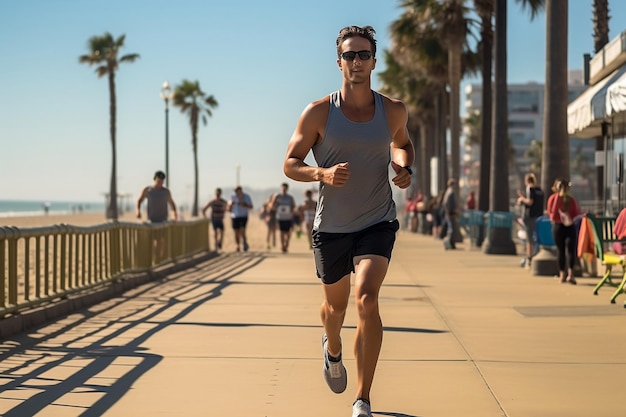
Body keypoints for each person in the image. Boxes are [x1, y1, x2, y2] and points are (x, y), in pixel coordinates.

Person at [282, 25, 414, 417]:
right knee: (335, 311)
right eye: (349, 55)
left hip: (377, 221)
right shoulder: (319, 111)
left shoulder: (393, 109)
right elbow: (290, 163)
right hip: (331, 228)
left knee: (367, 300)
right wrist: (320, 174)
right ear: (338, 61)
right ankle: (332, 346)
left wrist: (404, 169)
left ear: (374, 61)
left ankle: (363, 399)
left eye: (363, 54)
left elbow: (402, 144)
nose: (356, 61)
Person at [546, 178, 580, 284]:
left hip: (569, 226)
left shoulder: (570, 200)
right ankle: (562, 274)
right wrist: (558, 198)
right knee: (561, 250)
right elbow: (552, 214)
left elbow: (575, 213)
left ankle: (570, 274)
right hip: (558, 226)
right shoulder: (553, 199)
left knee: (570, 250)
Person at [516, 173, 544, 268]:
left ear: (527, 181)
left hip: (530, 217)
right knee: (537, 237)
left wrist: (521, 199)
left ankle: (529, 258)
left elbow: (530, 201)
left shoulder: (530, 188)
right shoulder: (539, 190)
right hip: (539, 217)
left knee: (529, 238)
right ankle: (536, 254)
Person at [269, 182, 297, 253]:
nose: (284, 190)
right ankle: (282, 246)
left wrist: (291, 208)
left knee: (288, 233)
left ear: (287, 189)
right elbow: (271, 206)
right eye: (283, 188)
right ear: (281, 188)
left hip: (288, 217)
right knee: (281, 232)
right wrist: (277, 207)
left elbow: (294, 206)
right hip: (280, 217)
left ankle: (286, 244)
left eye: (285, 188)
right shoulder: (277, 196)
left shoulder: (290, 197)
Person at [227, 186, 253, 252]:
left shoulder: (246, 196)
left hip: (243, 216)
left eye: (238, 191)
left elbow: (251, 206)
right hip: (234, 216)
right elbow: (228, 208)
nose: (237, 193)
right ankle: (238, 245)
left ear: (241, 190)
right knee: (236, 232)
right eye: (235, 191)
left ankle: (244, 242)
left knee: (242, 230)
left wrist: (244, 204)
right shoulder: (232, 196)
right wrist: (230, 206)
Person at [442, 178, 459, 250]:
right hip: (451, 213)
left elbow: (444, 203)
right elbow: (448, 203)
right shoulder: (451, 192)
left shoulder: (447, 192)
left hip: (449, 212)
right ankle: (448, 242)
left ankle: (451, 243)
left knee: (451, 228)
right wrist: (450, 211)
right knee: (451, 229)